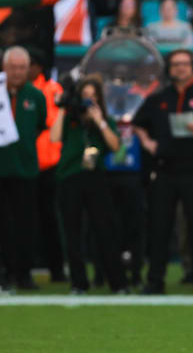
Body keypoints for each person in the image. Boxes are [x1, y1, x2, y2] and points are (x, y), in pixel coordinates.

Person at [132, 49, 193, 294]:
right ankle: (155, 281)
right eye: (176, 64)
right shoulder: (158, 98)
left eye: (185, 64)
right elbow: (138, 124)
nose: (181, 68)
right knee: (159, 227)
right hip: (165, 170)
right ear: (169, 68)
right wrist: (147, 142)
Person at [50, 75, 129, 294]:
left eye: (93, 96)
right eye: (85, 96)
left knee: (105, 230)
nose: (89, 100)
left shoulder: (103, 118)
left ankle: (118, 282)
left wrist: (99, 121)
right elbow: (54, 138)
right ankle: (78, 283)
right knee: (72, 232)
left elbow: (115, 146)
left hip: (95, 178)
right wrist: (64, 108)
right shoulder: (69, 117)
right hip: (69, 177)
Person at [0, 47, 47, 290]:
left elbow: (40, 126)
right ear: (4, 68)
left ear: (28, 69)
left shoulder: (36, 96)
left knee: (25, 225)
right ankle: (4, 273)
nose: (17, 72)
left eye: (21, 68)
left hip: (25, 170)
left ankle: (23, 274)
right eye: (12, 67)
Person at [30, 50, 66, 283]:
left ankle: (56, 269)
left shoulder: (53, 89)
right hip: (25, 163)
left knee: (52, 219)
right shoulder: (11, 91)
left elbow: (53, 126)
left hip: (50, 164)